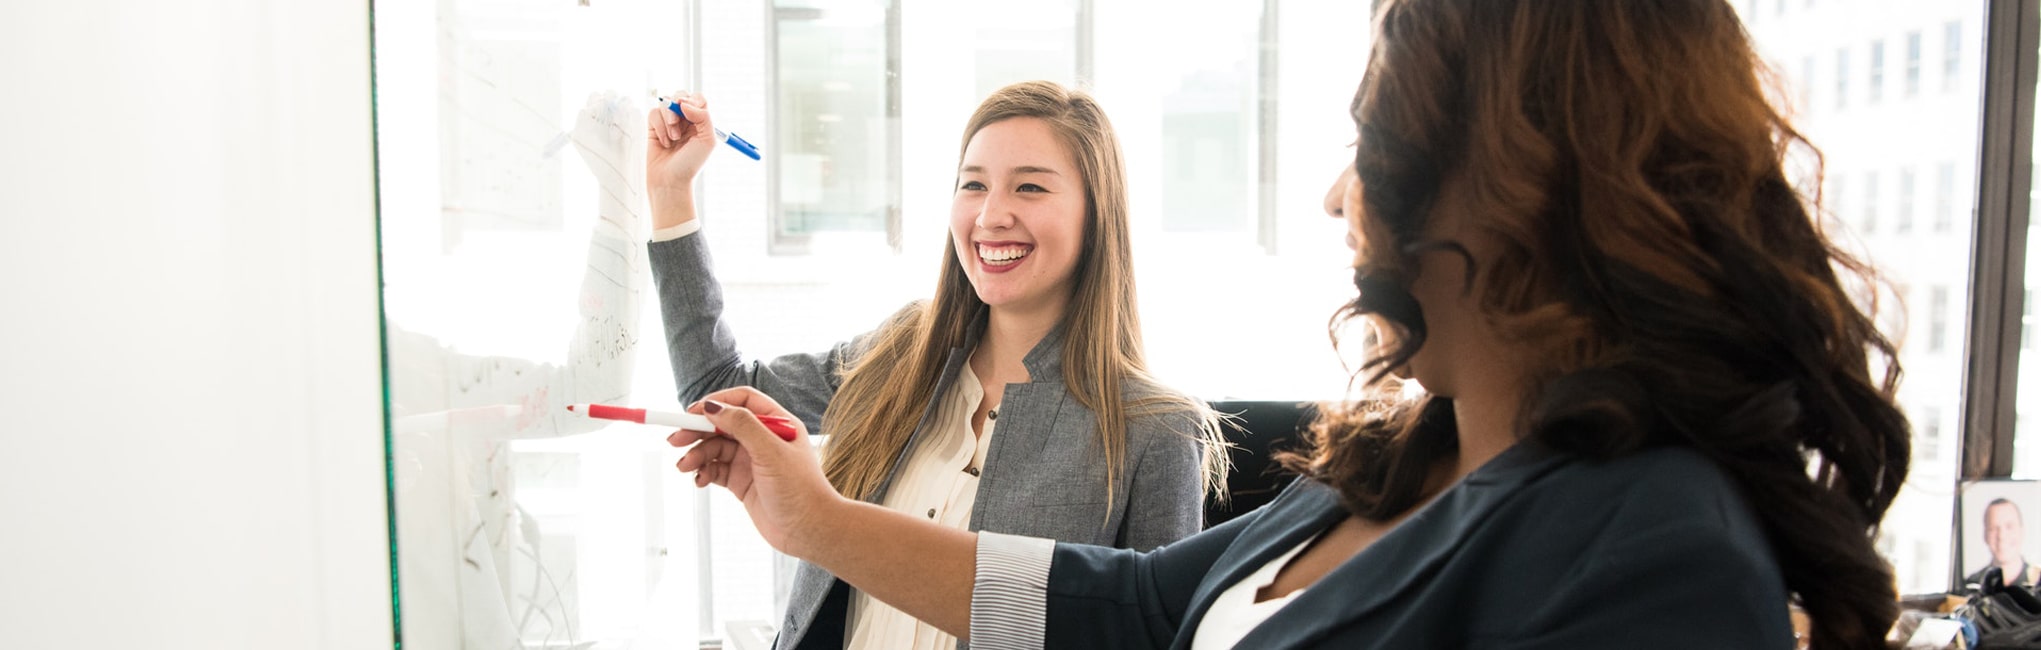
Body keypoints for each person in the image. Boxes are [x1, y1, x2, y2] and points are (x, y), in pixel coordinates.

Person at [663, 0, 1912, 647]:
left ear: (1519, 182)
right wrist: (816, 519)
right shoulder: (1393, 465)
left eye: (1370, 146)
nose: (1332, 194)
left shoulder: (1648, 543)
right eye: (971, 183)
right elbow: (1137, 607)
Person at [643, 81, 1227, 650]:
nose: (991, 215)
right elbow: (718, 391)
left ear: (1096, 215)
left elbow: (1158, 632)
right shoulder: (903, 353)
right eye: (973, 185)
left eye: (1029, 188)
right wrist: (672, 192)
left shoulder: (1157, 429)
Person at [1970, 498, 2041, 589]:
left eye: (2009, 527)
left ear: (2022, 531)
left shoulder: (2038, 581)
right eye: (1993, 529)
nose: (2001, 536)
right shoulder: (1970, 585)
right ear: (1985, 535)